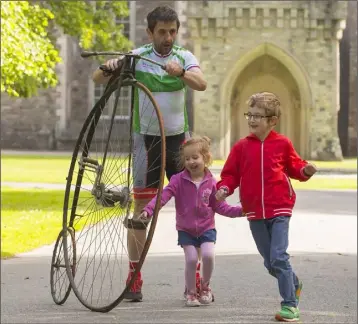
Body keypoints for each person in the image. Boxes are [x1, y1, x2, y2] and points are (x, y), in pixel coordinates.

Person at [92, 5, 207, 301]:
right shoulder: (139, 57)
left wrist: (180, 72)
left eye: (172, 31)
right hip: (146, 141)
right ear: (150, 32)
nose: (168, 37)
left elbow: (201, 83)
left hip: (179, 143)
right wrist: (114, 65)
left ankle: (196, 278)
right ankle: (134, 275)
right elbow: (97, 78)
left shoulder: (184, 57)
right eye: (162, 32)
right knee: (140, 211)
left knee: (194, 209)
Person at [215, 92, 317, 322]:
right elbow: (230, 174)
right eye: (249, 115)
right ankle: (294, 283)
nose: (252, 120)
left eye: (258, 116)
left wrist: (305, 171)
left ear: (272, 120)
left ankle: (290, 305)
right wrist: (224, 189)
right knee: (270, 263)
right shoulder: (241, 147)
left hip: (280, 207)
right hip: (254, 212)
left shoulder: (282, 143)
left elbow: (294, 166)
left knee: (279, 257)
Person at [139, 135, 243, 306]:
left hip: (206, 228)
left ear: (206, 158)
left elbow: (221, 207)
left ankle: (205, 287)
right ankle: (191, 292)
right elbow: (163, 196)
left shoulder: (211, 183)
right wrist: (149, 209)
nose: (191, 162)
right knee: (192, 259)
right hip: (186, 229)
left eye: (195, 157)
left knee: (208, 256)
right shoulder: (177, 180)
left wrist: (241, 212)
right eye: (187, 159)